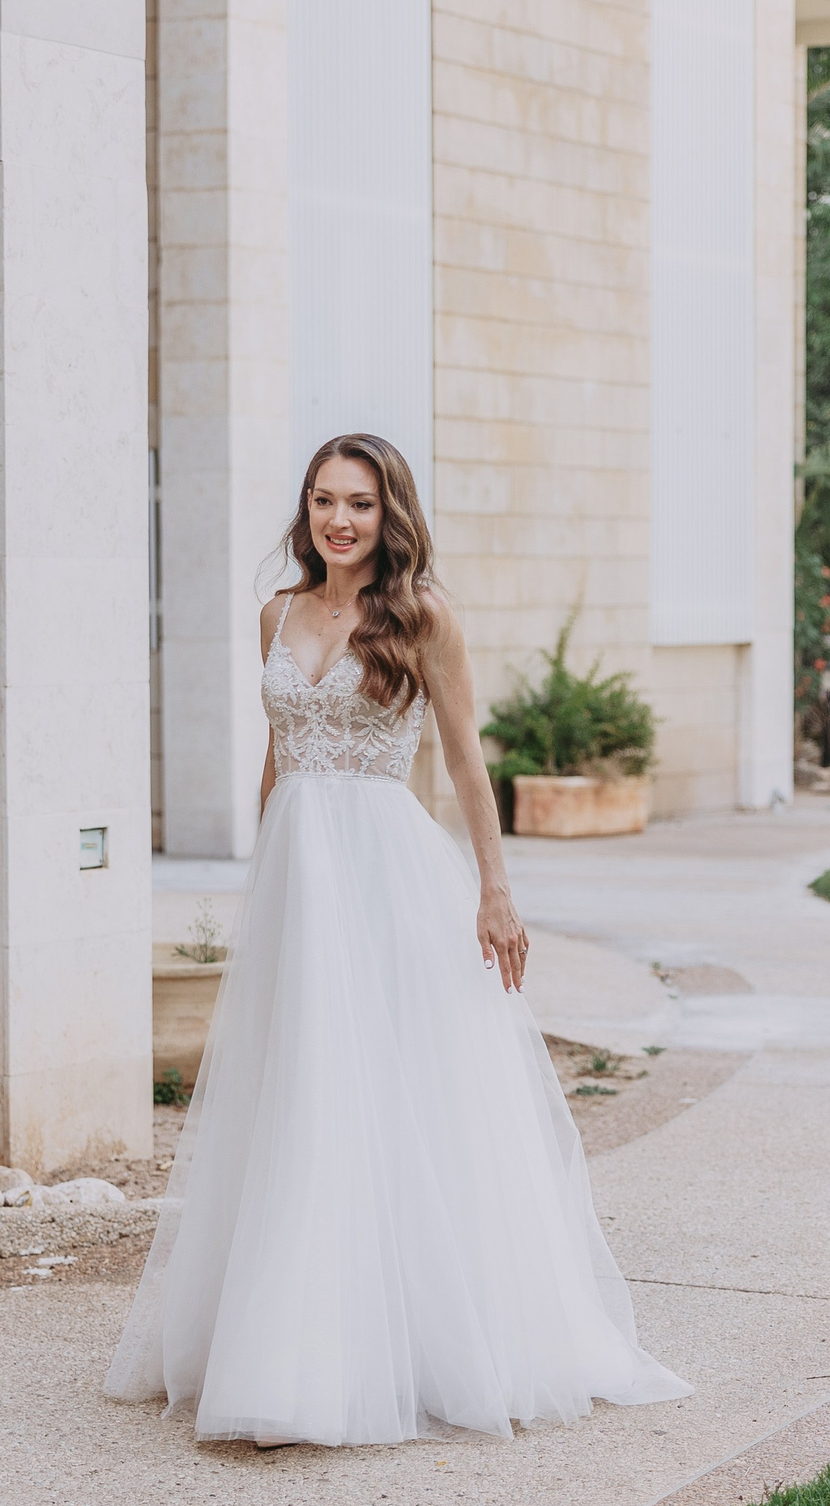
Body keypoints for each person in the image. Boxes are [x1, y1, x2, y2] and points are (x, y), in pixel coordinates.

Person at [105, 432, 691, 1447]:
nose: (341, 519)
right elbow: (281, 758)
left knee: (391, 1088)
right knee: (297, 1090)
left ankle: (396, 1347)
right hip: (300, 873)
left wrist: (496, 895)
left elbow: (465, 764)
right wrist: (261, 873)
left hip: (385, 867)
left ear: (391, 516)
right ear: (306, 510)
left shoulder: (422, 618)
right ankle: (283, 1346)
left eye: (361, 504)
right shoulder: (276, 614)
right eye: (326, 500)